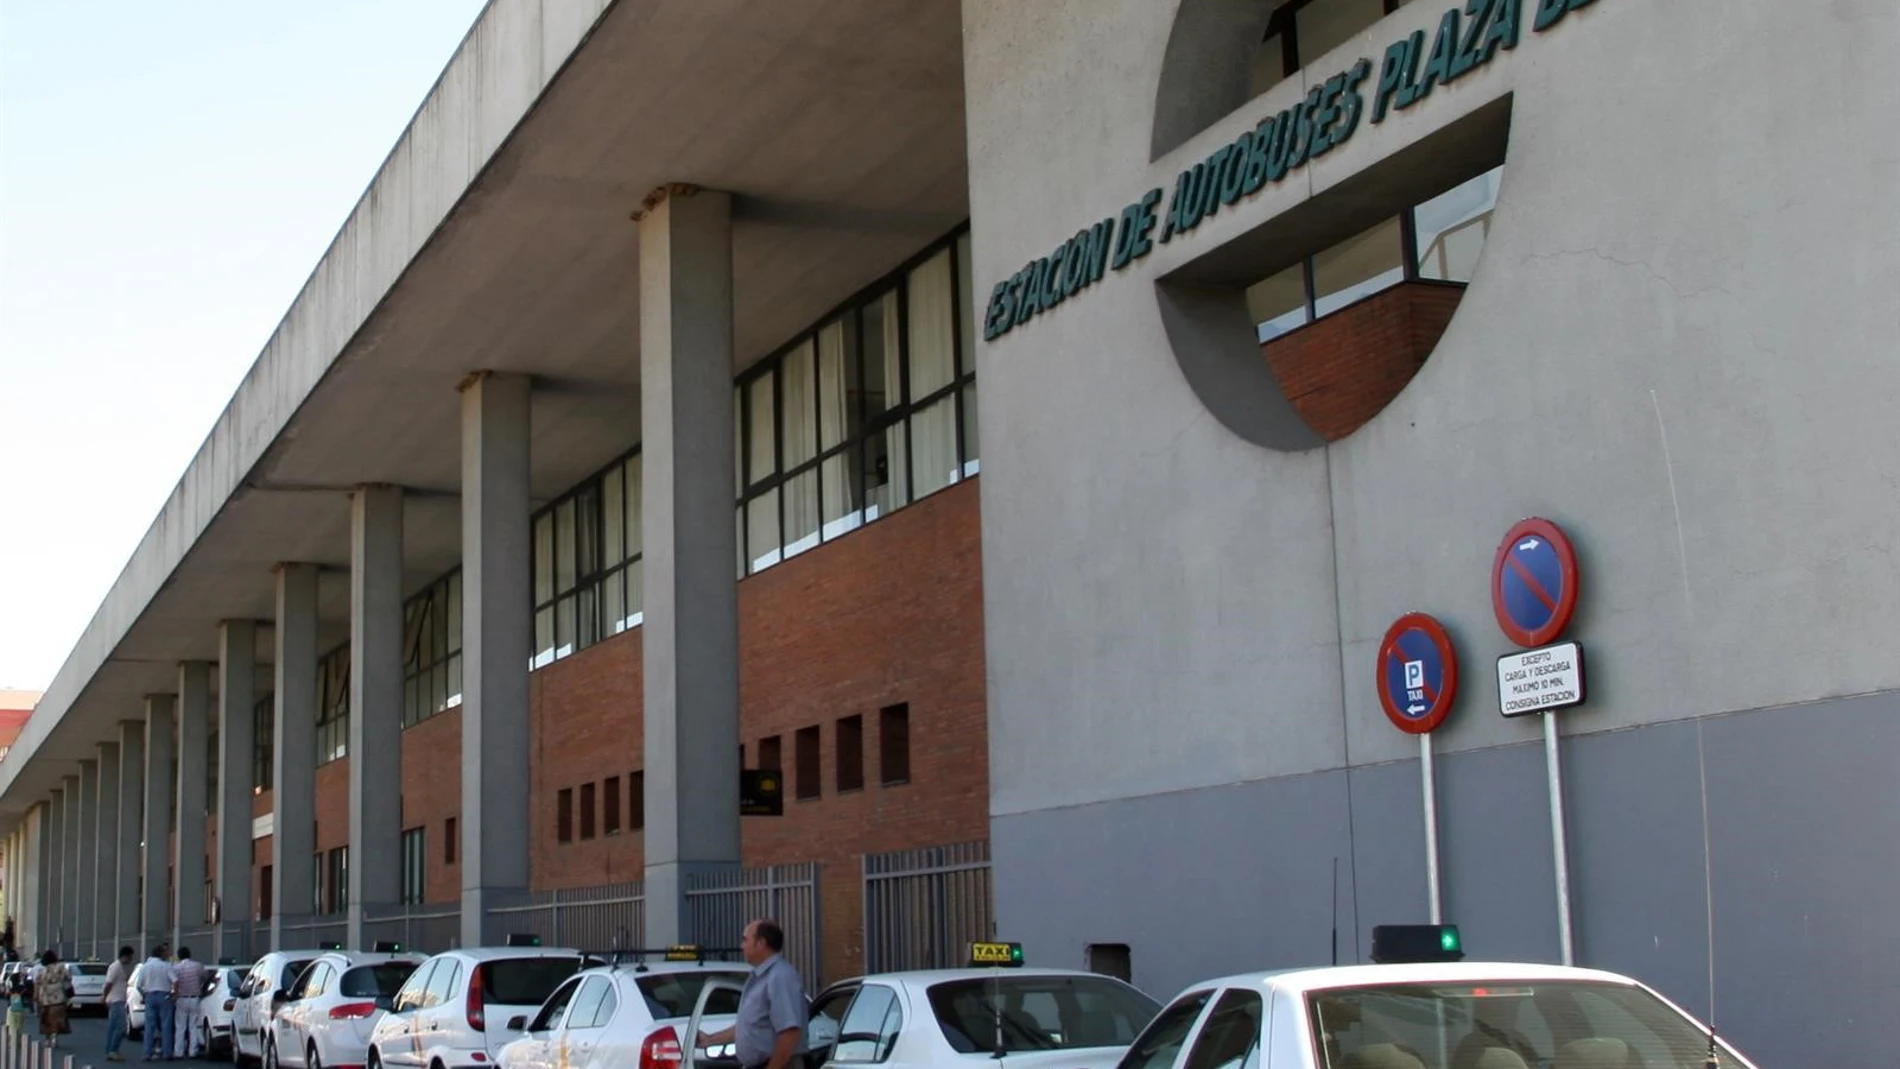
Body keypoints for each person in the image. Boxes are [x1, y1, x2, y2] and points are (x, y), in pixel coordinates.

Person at [697, 919, 808, 1069]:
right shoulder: (759, 977)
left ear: (761, 943)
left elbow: (790, 1033)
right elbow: (749, 1026)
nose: (741, 946)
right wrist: (709, 1040)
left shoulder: (780, 977)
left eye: (745, 940)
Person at [138, 942, 177, 1063]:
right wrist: (174, 994)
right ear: (161, 954)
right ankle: (167, 1053)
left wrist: (144, 995)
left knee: (149, 1026)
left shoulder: (145, 967)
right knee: (166, 1025)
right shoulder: (166, 966)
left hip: (150, 995)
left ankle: (147, 1053)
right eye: (165, 952)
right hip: (164, 995)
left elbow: (139, 985)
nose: (167, 954)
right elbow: (175, 981)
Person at [171, 945, 208, 1059]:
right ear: (189, 955)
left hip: (181, 998)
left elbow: (173, 982)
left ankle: (178, 1051)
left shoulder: (176, 968)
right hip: (195, 998)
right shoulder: (198, 966)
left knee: (180, 1026)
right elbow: (205, 977)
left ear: (179, 956)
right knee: (193, 1026)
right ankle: (193, 1051)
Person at [32, 949, 72, 1049]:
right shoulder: (61, 968)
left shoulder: (42, 971)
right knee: (57, 1019)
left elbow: (37, 984)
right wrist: (69, 994)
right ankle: (54, 1037)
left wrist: (36, 995)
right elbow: (68, 980)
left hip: (45, 999)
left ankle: (47, 1038)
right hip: (59, 998)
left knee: (46, 1019)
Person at [103, 945, 135, 1063]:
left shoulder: (119, 967)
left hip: (117, 999)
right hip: (116, 1000)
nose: (131, 960)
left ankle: (111, 1050)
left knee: (113, 1027)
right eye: (130, 957)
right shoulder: (115, 967)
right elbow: (108, 983)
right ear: (125, 956)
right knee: (120, 1026)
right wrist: (104, 996)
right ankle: (113, 1049)